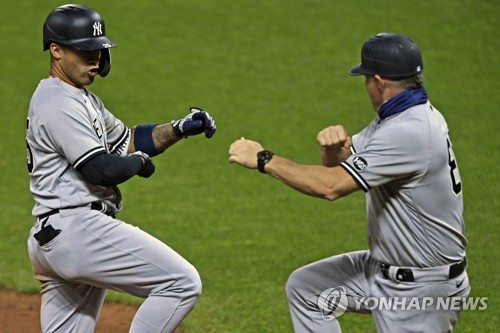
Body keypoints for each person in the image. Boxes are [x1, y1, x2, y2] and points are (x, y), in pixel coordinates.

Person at [229, 32, 469, 332]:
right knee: (308, 290)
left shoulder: (409, 131)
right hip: (386, 269)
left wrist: (265, 160)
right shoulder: (399, 116)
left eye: (366, 78)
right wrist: (334, 148)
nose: (365, 85)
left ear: (379, 82)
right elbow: (342, 163)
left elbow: (332, 187)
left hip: (420, 290)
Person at [26, 4, 216, 333]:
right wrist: (137, 164)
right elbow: (100, 169)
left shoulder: (80, 97)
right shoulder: (57, 101)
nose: (95, 58)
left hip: (54, 237)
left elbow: (128, 140)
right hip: (77, 230)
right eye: (85, 50)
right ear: (56, 51)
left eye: (98, 49)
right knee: (181, 284)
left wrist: (179, 128)